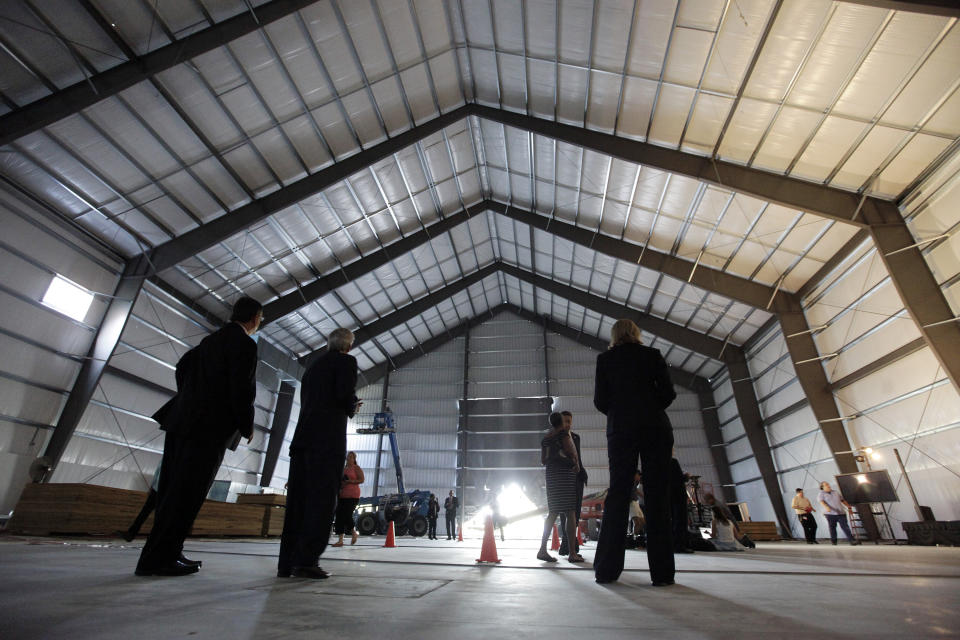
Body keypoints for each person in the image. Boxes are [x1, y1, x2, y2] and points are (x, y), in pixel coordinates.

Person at [135, 296, 261, 576]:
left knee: (171, 491)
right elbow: (242, 388)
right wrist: (246, 424)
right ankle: (160, 560)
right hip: (207, 429)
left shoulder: (210, 341)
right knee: (188, 494)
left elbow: (182, 367)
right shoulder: (244, 344)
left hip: (180, 421)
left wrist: (190, 397)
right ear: (254, 319)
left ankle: (164, 552)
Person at [593, 319, 677, 587]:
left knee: (618, 494)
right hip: (655, 427)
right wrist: (649, 408)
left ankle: (607, 570)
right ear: (637, 334)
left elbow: (599, 400)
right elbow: (668, 393)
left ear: (614, 335)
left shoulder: (605, 360)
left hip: (621, 429)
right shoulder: (653, 356)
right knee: (657, 495)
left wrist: (620, 412)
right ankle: (662, 574)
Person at [278, 328, 360, 579]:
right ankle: (307, 560)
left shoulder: (313, 367)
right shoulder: (346, 362)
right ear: (348, 346)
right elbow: (343, 394)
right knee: (322, 501)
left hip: (303, 439)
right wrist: (352, 406)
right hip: (326, 441)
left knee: (298, 503)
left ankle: (287, 563)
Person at [538, 412, 583, 564]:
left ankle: (542, 549)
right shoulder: (564, 435)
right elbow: (572, 453)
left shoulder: (546, 439)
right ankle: (572, 553)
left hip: (551, 476)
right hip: (565, 476)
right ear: (562, 422)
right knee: (570, 512)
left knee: (553, 512)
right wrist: (576, 465)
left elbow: (543, 460)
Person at [558, 411, 587, 556]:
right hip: (565, 478)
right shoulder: (557, 438)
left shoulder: (576, 437)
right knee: (565, 512)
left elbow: (578, 457)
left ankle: (572, 542)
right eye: (564, 421)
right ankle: (567, 543)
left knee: (576, 511)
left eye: (569, 421)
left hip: (577, 478)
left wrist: (583, 471)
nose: (567, 424)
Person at [331, 451, 364, 547]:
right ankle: (340, 540)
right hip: (343, 495)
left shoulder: (356, 468)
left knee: (347, 515)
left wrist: (351, 481)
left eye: (351, 457)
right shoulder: (344, 469)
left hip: (353, 496)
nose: (349, 458)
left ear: (354, 459)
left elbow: (361, 480)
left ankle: (354, 533)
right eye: (348, 457)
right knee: (339, 516)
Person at [818, 481, 860, 546]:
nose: (828, 485)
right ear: (822, 487)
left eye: (828, 484)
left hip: (841, 513)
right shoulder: (821, 494)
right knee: (832, 528)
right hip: (830, 514)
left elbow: (842, 500)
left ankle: (852, 541)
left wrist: (849, 507)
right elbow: (821, 502)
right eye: (826, 485)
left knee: (845, 527)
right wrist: (827, 507)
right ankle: (834, 541)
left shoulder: (835, 492)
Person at [629, 470, 646, 547]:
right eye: (639, 475)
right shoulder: (630, 481)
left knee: (642, 521)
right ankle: (634, 540)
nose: (640, 477)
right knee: (637, 522)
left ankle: (637, 538)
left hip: (636, 502)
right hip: (631, 502)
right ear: (635, 475)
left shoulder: (635, 483)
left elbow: (636, 491)